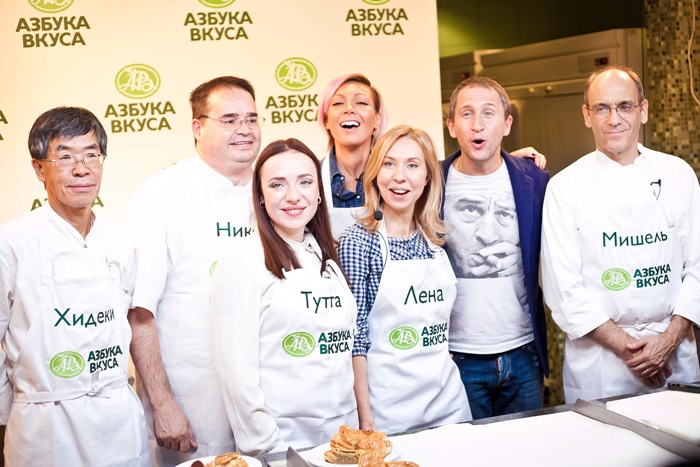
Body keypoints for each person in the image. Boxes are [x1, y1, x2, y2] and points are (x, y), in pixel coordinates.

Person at [541, 66, 700, 403]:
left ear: (643, 110)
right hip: (602, 365)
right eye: (602, 108)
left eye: (624, 106)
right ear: (587, 115)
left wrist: (668, 340)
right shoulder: (564, 188)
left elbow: (698, 267)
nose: (614, 119)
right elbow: (563, 290)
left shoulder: (679, 175)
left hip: (674, 355)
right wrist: (634, 352)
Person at [0, 107, 149, 466]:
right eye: (65, 157)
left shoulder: (120, 242)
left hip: (118, 419)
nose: (81, 169)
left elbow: (137, 323)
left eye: (91, 155)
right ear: (39, 169)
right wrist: (7, 413)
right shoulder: (12, 242)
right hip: (44, 425)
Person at [127, 76, 262, 465]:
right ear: (197, 128)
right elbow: (139, 311)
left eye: (251, 119)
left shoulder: (275, 189)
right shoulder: (163, 193)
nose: (244, 130)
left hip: (266, 396)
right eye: (230, 120)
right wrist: (163, 402)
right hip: (194, 399)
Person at [211, 138, 358, 455]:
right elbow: (236, 373)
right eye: (277, 184)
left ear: (319, 191)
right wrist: (270, 448)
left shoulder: (326, 254)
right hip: (285, 445)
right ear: (260, 196)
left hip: (343, 438)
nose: (293, 196)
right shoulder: (242, 261)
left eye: (305, 182)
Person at [338, 125, 470, 434]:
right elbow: (355, 340)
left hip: (449, 404)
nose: (399, 176)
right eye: (389, 163)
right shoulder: (358, 243)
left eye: (412, 165)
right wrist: (365, 418)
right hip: (388, 413)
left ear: (427, 177)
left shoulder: (435, 241)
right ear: (375, 174)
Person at [317, 73, 546, 239]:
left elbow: (436, 171)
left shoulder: (400, 177)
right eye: (337, 103)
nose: (349, 109)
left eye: (361, 102)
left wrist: (508, 162)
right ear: (326, 119)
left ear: (377, 119)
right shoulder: (311, 178)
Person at [442, 76, 550, 419]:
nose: (477, 124)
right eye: (467, 114)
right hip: (456, 356)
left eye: (488, 113)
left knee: (527, 446)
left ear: (506, 124)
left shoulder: (534, 180)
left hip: (523, 353)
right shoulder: (432, 182)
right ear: (451, 125)